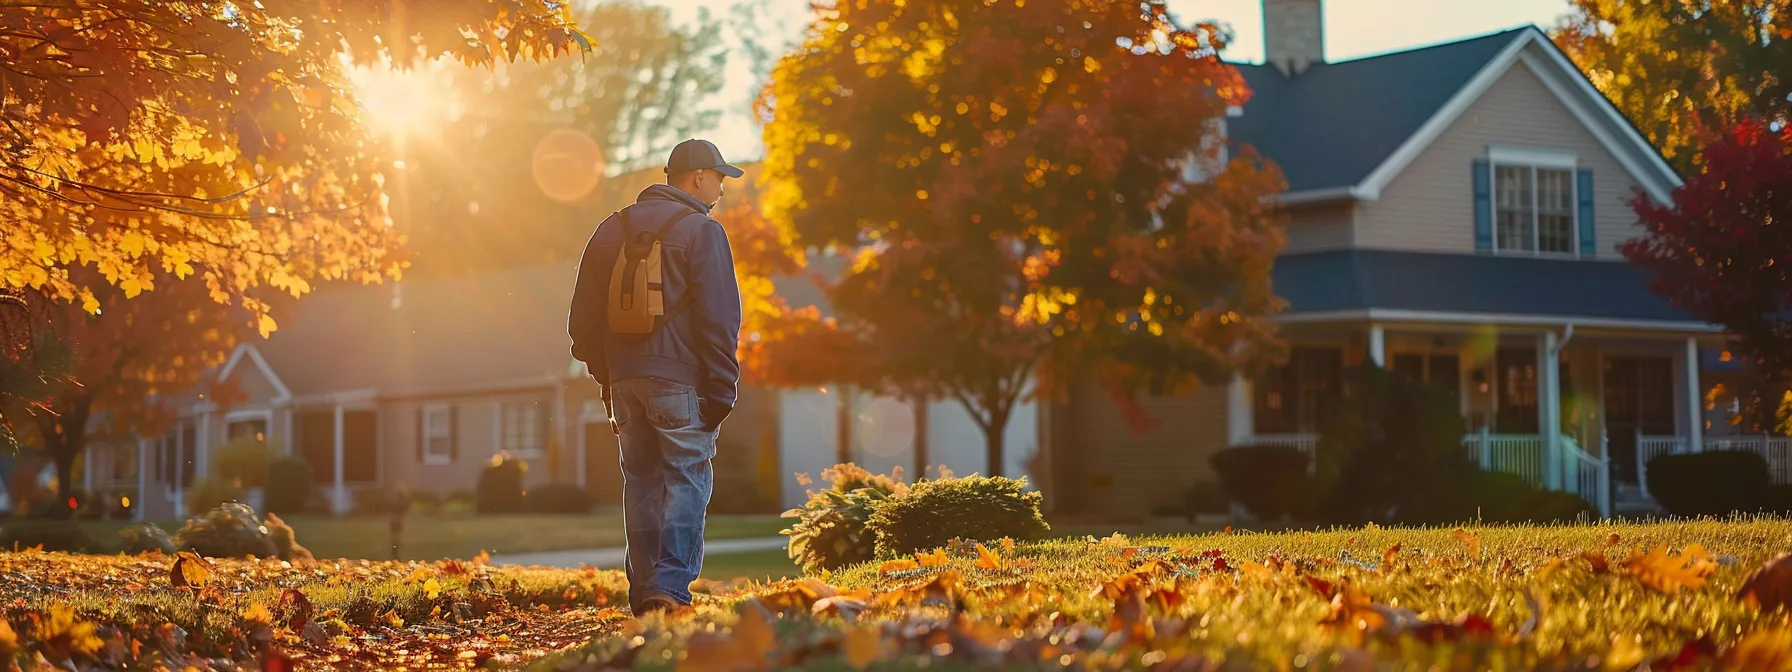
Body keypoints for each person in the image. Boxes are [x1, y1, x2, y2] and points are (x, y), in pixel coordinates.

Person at [567, 139, 743, 616]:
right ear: (698, 177)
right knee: (686, 478)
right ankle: (668, 586)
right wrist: (723, 387)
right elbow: (720, 319)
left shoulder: (610, 229)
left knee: (641, 482)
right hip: (681, 381)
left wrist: (610, 375)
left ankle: (645, 589)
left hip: (624, 383)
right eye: (719, 178)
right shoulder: (702, 232)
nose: (722, 189)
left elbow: (581, 324)